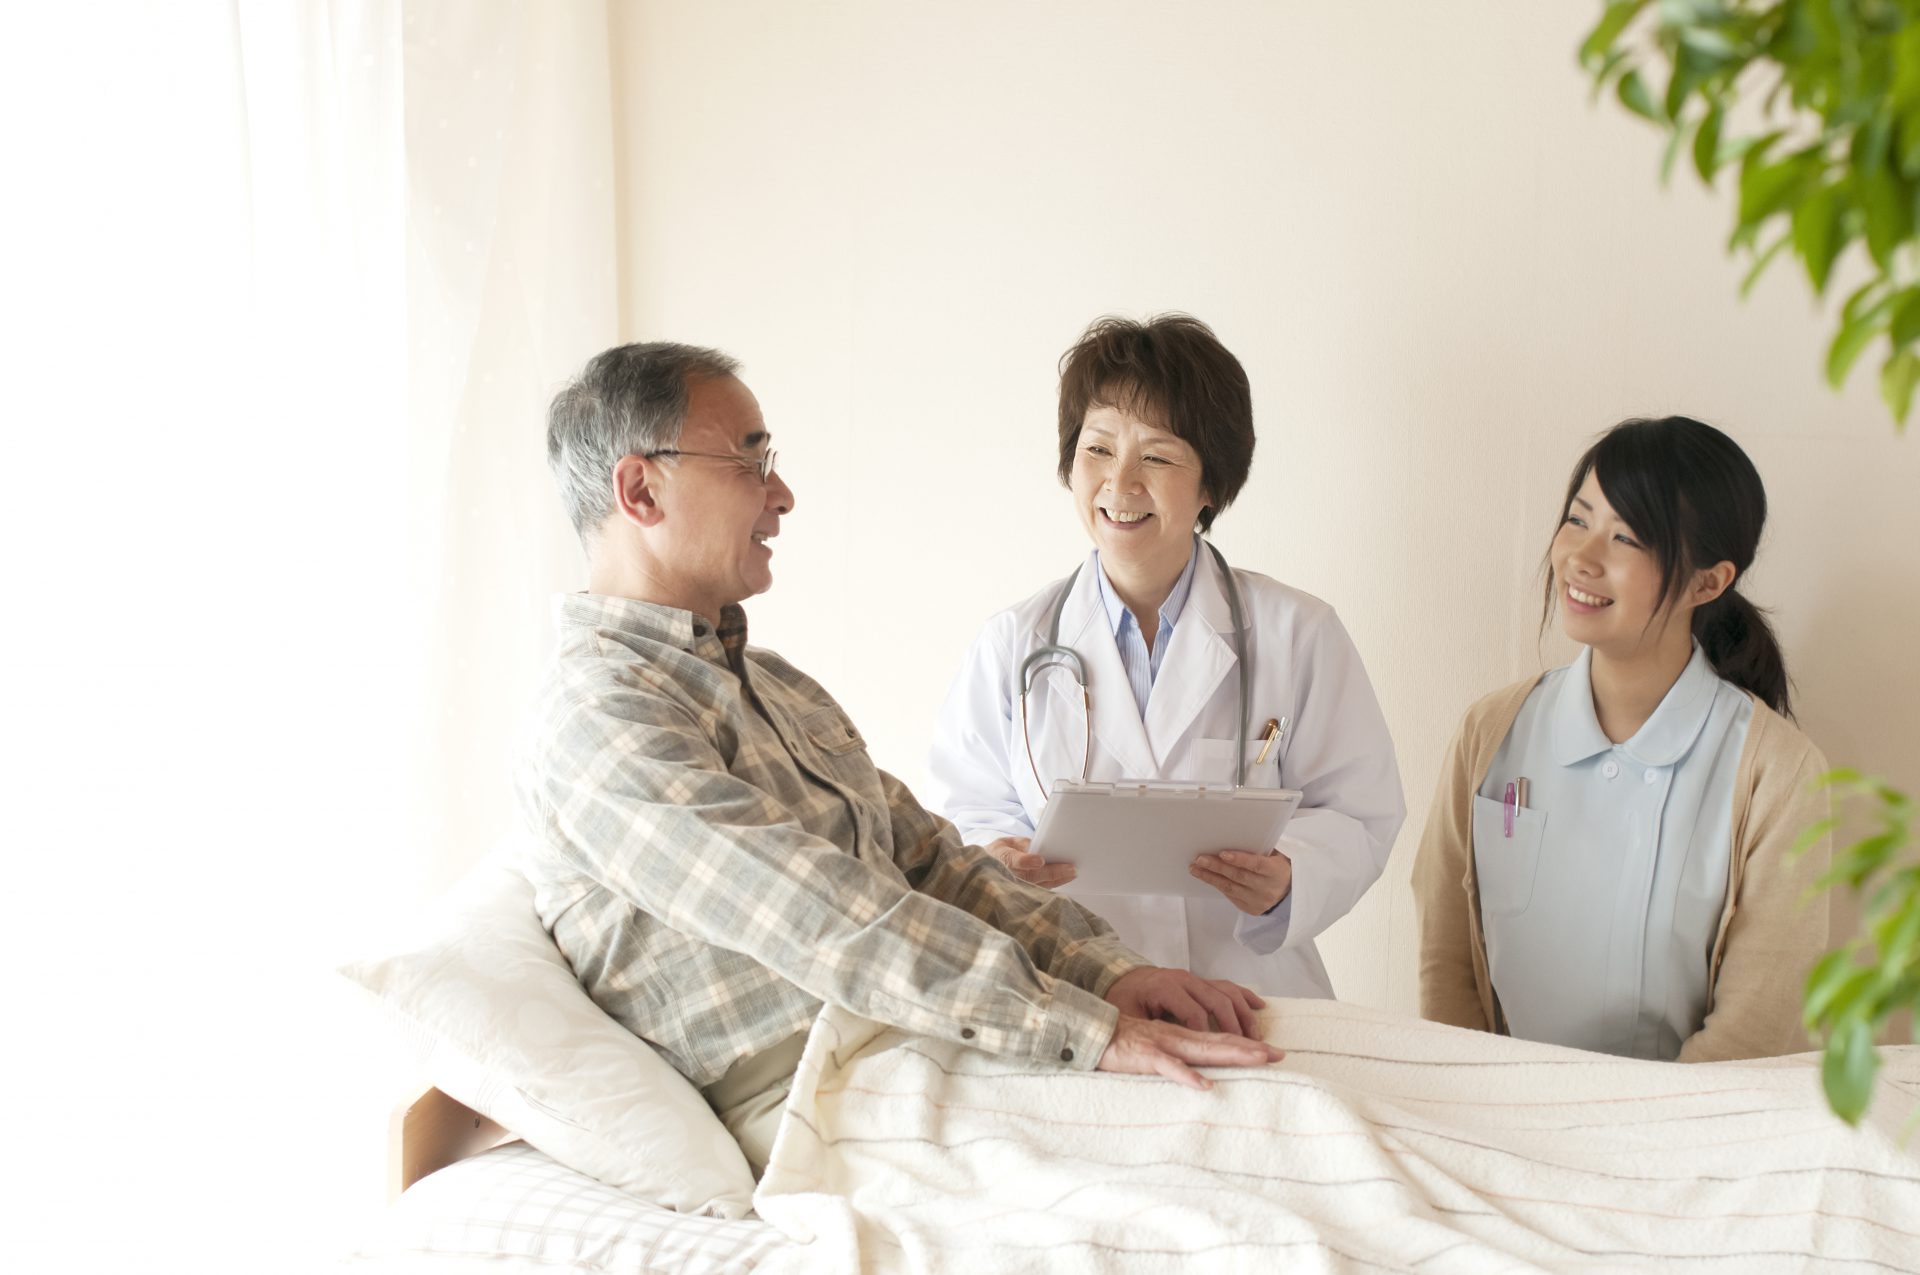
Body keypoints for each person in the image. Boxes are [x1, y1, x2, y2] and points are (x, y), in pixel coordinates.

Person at [515, 341, 1281, 1175]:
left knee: (1264, 1123)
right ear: (640, 490)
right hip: (817, 1083)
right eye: (750, 460)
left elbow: (929, 861)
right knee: (1212, 1163)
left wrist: (1107, 973)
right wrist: (1084, 1027)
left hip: (917, 1036)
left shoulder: (776, 687)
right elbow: (820, 915)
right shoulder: (597, 714)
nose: (783, 493)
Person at [927, 314, 1405, 996]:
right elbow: (966, 813)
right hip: (1076, 997)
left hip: (1253, 996)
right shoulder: (1013, 643)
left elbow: (1361, 811)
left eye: (1156, 456)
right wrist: (995, 859)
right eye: (1097, 449)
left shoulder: (1298, 632)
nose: (1120, 483)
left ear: (1211, 484)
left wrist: (1290, 875)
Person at [1412, 416, 1832, 1062]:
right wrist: (1483, 1098)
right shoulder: (1490, 731)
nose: (1581, 557)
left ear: (1708, 582)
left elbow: (1756, 1021)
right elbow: (1446, 961)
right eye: (1577, 520)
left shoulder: (1778, 773)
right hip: (1493, 1107)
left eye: (1626, 537)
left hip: (1683, 1122)